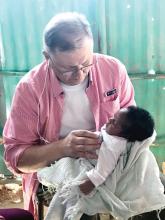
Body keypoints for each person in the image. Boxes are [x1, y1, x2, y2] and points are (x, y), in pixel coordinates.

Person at [3, 12, 135, 220]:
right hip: (57, 165)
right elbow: (16, 159)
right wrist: (63, 147)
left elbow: (132, 120)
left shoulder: (113, 70)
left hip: (109, 158)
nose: (79, 74)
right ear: (47, 57)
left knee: (154, 191)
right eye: (68, 69)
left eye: (85, 63)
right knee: (80, 206)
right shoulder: (30, 89)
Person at [38, 106, 162, 220]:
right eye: (113, 117)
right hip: (79, 155)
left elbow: (104, 169)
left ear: (126, 135)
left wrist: (90, 183)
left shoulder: (114, 145)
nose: (109, 120)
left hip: (88, 170)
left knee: (68, 192)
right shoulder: (112, 134)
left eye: (115, 122)